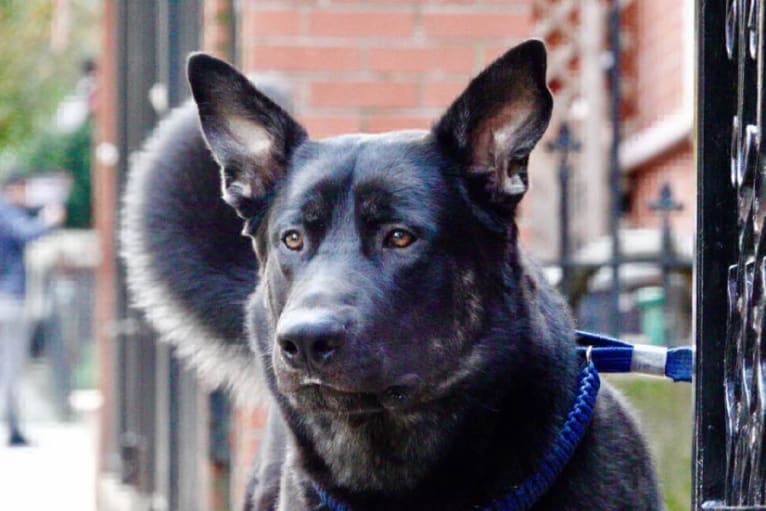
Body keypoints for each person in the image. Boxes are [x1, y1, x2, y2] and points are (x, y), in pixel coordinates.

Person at [0, 173, 64, 446]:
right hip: (9, 300)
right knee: (11, 367)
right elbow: (27, 233)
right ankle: (12, 428)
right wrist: (47, 221)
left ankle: (13, 426)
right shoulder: (6, 211)